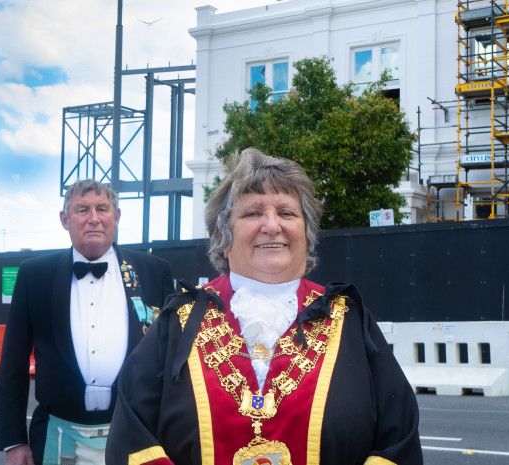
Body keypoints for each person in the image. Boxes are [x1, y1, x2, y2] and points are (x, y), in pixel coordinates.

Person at [106, 149, 422, 465]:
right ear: (222, 235)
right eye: (253, 213)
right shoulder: (179, 321)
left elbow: (397, 440)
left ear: (307, 233)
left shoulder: (349, 320)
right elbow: (132, 437)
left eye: (286, 213)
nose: (271, 226)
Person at [0, 179, 176, 465]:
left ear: (116, 217)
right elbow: (13, 364)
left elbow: (171, 361)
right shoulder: (35, 275)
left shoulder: (153, 271)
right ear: (65, 219)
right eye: (82, 210)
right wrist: (14, 440)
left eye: (102, 208)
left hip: (136, 436)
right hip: (58, 435)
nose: (94, 219)